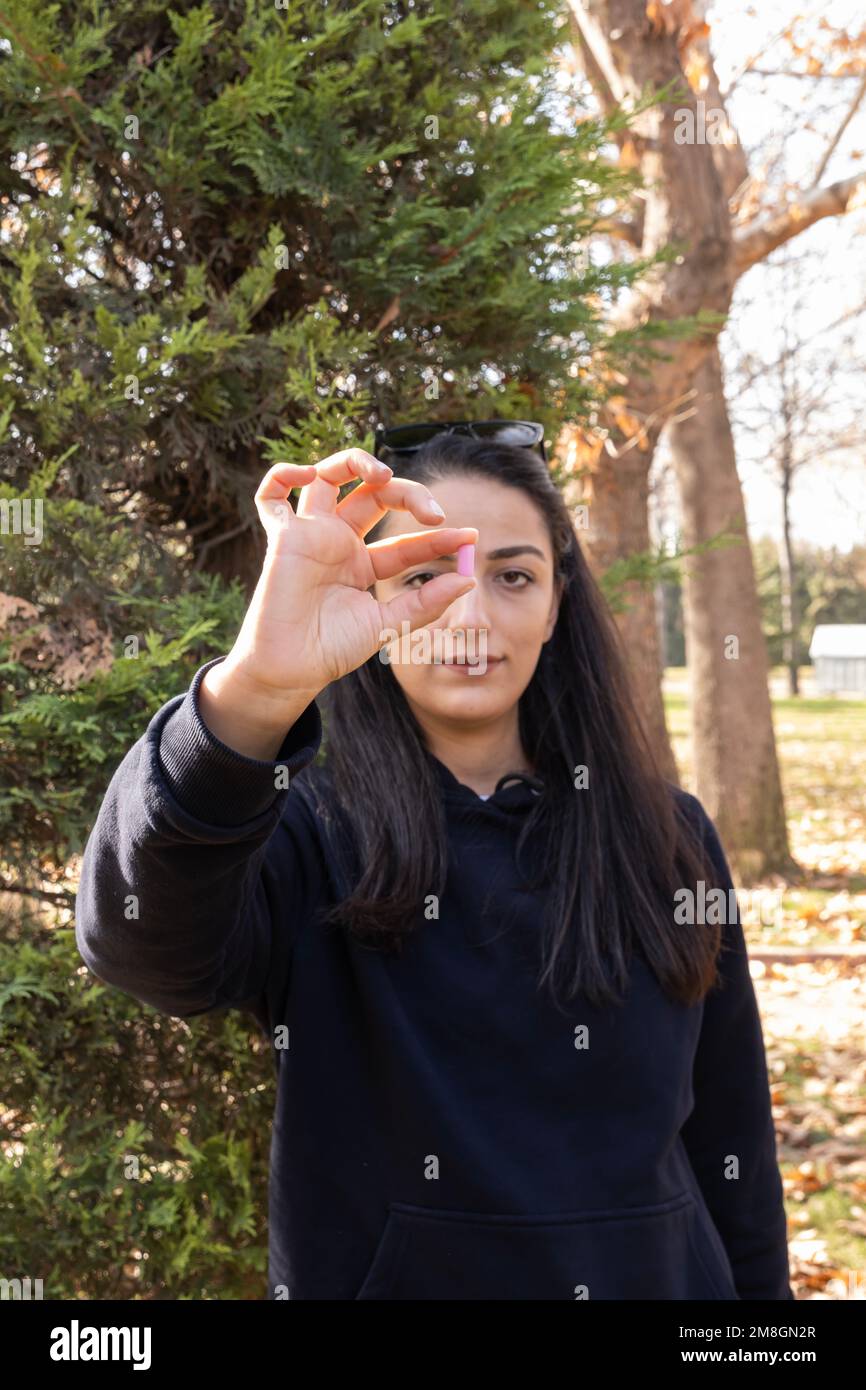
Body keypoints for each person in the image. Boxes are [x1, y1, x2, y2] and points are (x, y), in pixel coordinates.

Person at [75, 422, 794, 1301]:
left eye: (513, 575)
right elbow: (140, 947)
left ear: (558, 599)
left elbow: (735, 1151)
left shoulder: (669, 839)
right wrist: (256, 690)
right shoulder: (307, 834)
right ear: (375, 597)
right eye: (426, 575)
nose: (471, 614)